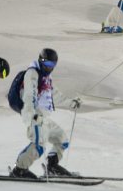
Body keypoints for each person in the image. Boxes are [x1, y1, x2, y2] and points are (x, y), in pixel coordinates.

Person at [11, 49, 81, 179]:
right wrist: (32, 115)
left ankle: (51, 166)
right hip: (34, 116)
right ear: (41, 61)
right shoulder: (32, 73)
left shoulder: (46, 78)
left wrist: (72, 103)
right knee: (39, 145)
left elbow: (54, 95)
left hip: (44, 117)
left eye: (52, 65)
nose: (49, 68)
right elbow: (29, 95)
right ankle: (19, 169)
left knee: (62, 140)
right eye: (47, 65)